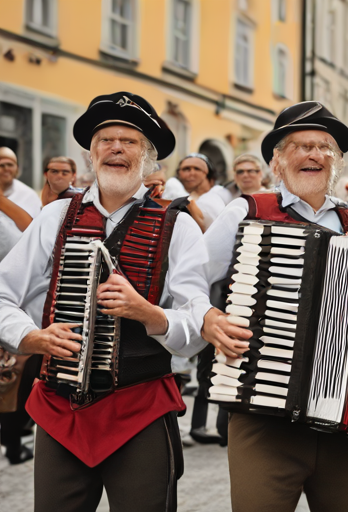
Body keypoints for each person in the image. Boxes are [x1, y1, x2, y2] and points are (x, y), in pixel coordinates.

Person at [200, 101, 348, 512]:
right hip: (264, 417)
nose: (313, 155)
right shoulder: (247, 211)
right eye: (300, 146)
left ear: (337, 162)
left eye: (324, 147)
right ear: (277, 161)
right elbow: (187, 281)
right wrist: (208, 318)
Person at [0, 92, 212, 512]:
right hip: (60, 409)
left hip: (142, 408)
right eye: (105, 140)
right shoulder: (56, 216)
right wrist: (30, 337)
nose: (116, 148)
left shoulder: (179, 225)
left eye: (129, 141)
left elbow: (196, 324)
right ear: (90, 154)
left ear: (148, 158)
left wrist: (147, 313)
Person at [0, 146, 42, 464]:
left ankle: (13, 440)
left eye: (10, 163)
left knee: (12, 370)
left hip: (15, 294)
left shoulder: (26, 196)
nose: (4, 168)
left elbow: (31, 231)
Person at [162, 153, 225, 231]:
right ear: (179, 173)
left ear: (207, 173)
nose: (192, 173)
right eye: (186, 169)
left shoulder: (220, 193)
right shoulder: (173, 190)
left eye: (197, 169)